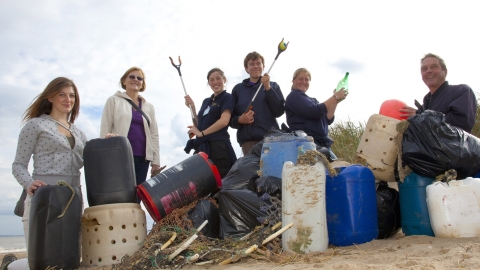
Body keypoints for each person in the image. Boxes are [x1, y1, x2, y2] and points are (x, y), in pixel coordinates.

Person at [11, 77, 87, 263]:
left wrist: (107, 141)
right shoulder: (35, 125)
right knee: (40, 260)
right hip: (43, 198)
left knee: (70, 260)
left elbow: (90, 160)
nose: (67, 99)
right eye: (61, 94)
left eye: (71, 96)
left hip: (73, 200)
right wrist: (29, 183)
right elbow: (18, 164)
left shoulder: (79, 133)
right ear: (50, 97)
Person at [100, 67, 161, 188]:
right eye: (131, 77)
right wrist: (104, 156)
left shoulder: (149, 107)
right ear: (124, 81)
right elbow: (105, 129)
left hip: (143, 158)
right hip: (119, 156)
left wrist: (156, 161)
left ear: (142, 83)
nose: (135, 80)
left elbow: (154, 135)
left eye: (139, 78)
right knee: (118, 191)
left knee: (136, 195)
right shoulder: (113, 101)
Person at [400, 53, 477, 132]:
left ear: (445, 71)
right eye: (424, 69)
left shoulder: (461, 91)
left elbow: (461, 123)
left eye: (434, 67)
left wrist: (421, 118)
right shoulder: (424, 105)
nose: (429, 71)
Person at [184, 68, 237, 178]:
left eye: (218, 78)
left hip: (219, 148)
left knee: (221, 181)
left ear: (224, 80)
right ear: (208, 83)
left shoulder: (227, 97)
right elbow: (199, 124)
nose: (215, 82)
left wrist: (201, 134)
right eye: (211, 80)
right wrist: (193, 108)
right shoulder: (206, 101)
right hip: (203, 149)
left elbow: (224, 121)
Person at [284, 68, 347, 160]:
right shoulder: (294, 96)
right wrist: (335, 97)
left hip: (321, 145)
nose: (304, 82)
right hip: (307, 144)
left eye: (307, 79)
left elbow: (328, 119)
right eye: (300, 79)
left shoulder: (312, 100)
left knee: (337, 169)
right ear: (293, 81)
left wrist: (336, 101)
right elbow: (315, 111)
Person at [229, 51, 285, 155]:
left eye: (258, 63)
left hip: (271, 140)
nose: (256, 66)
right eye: (251, 64)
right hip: (248, 142)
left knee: (272, 170)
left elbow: (279, 111)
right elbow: (231, 120)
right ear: (246, 68)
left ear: (263, 66)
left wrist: (268, 88)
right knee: (252, 171)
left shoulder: (273, 86)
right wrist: (240, 120)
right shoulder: (237, 89)